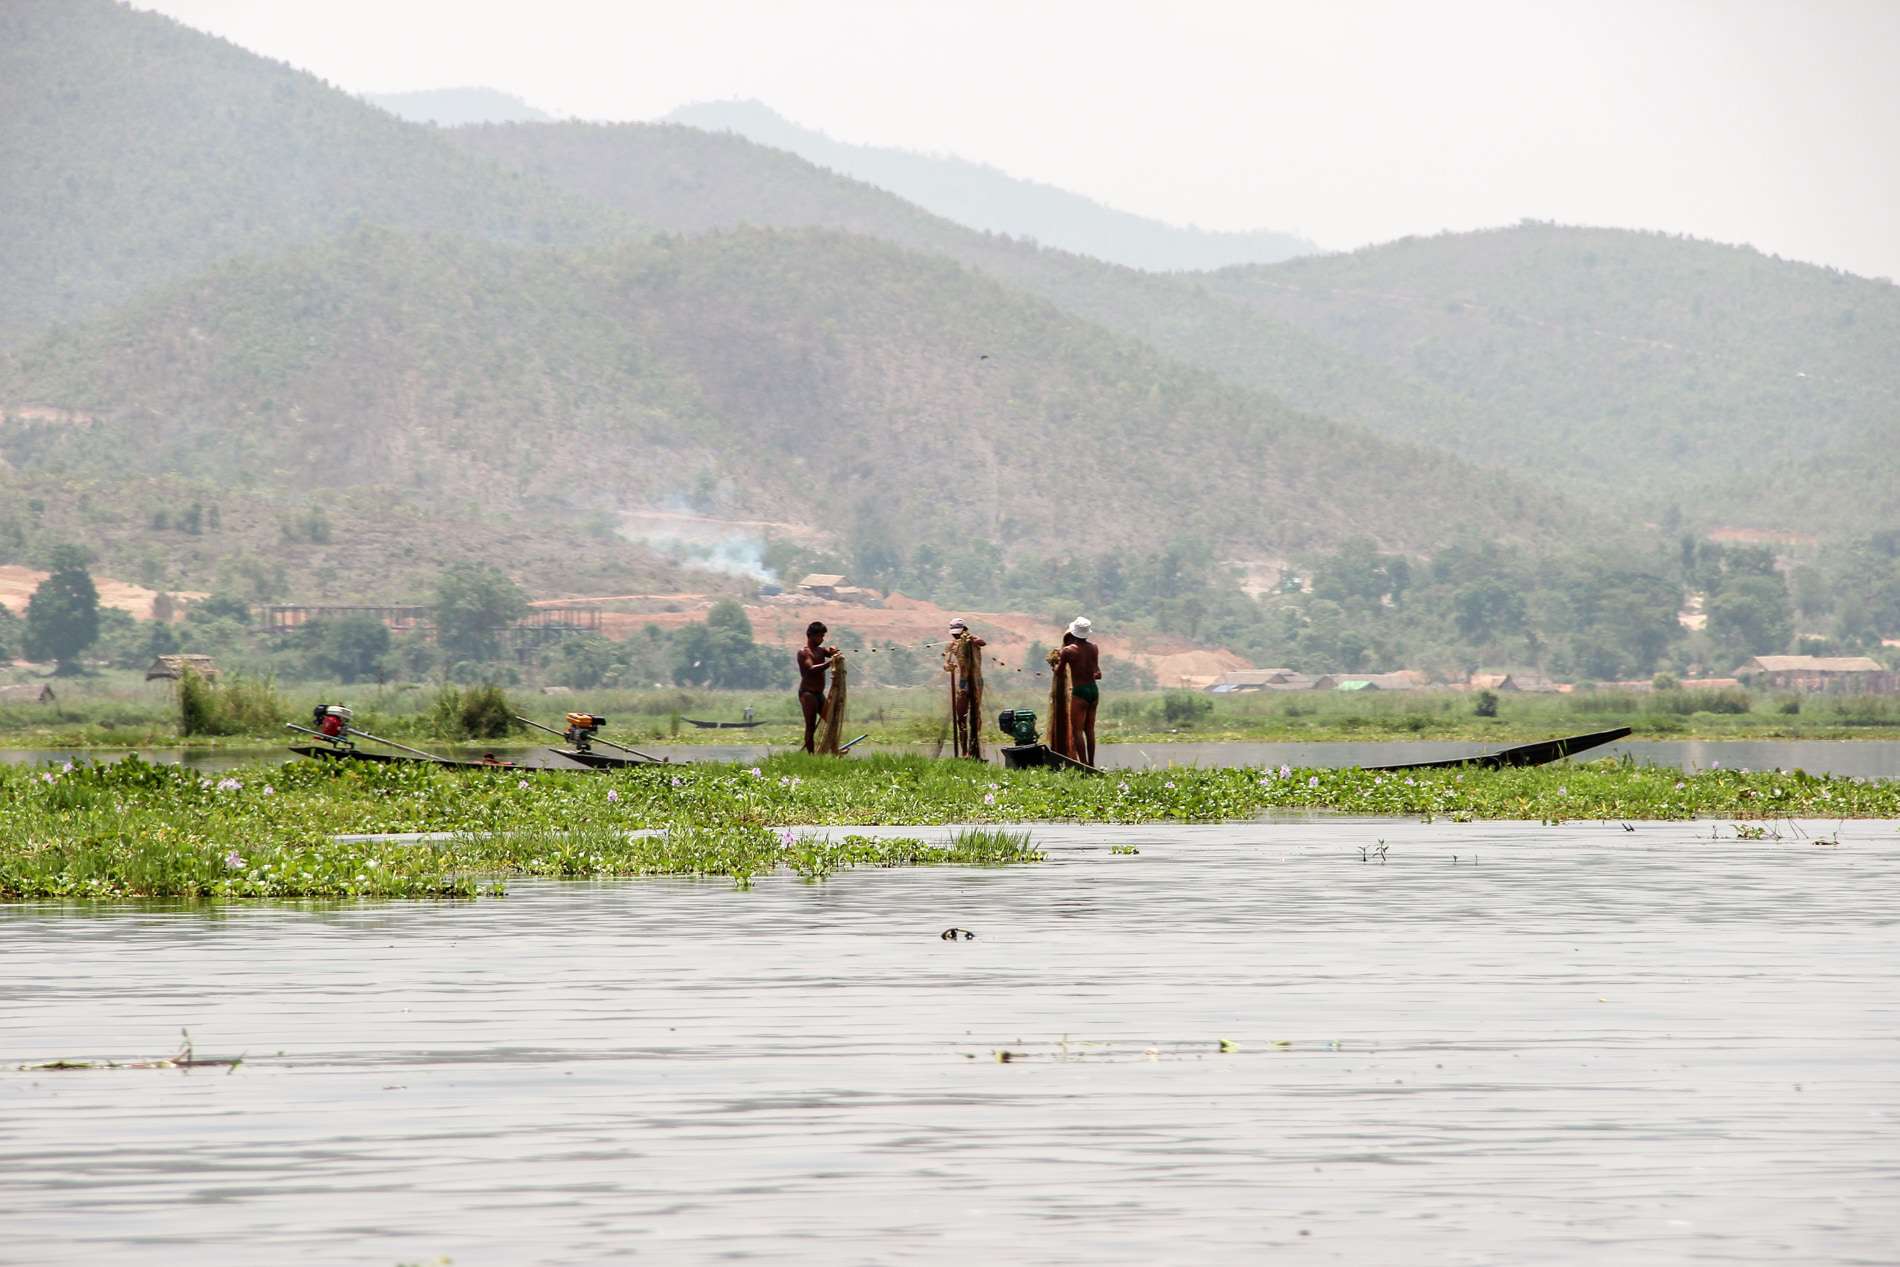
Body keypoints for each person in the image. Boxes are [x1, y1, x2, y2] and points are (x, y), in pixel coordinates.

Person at [1057, 617, 1101, 766]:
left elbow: (1059, 672)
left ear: (1073, 633)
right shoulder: (1094, 647)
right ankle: (1092, 763)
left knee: (1077, 731)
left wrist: (1054, 665)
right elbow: (1097, 672)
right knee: (1090, 730)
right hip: (1093, 691)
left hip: (1080, 692)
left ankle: (1083, 765)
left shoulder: (1068, 651)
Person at [942, 619, 987, 758]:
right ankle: (964, 751)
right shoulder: (951, 645)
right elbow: (946, 663)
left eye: (958, 633)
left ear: (964, 630)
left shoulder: (973, 641)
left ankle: (975, 747)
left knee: (975, 715)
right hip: (962, 683)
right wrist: (949, 667)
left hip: (976, 681)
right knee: (961, 716)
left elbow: (982, 642)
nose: (955, 636)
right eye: (953, 634)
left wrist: (971, 639)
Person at [796, 621, 838, 754]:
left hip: (819, 694)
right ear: (811, 636)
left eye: (823, 636)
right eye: (820, 636)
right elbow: (811, 669)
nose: (822, 639)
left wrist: (833, 650)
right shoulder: (804, 653)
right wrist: (829, 663)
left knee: (831, 721)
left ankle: (834, 750)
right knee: (811, 726)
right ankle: (811, 756)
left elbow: (830, 651)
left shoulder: (821, 651)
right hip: (807, 694)